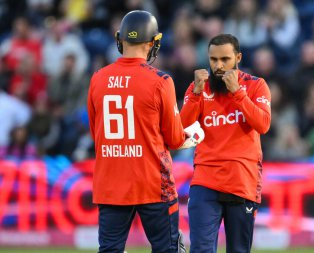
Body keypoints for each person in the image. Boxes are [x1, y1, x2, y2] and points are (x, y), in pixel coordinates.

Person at [87, 10, 194, 253]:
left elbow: (97, 135)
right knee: (168, 248)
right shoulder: (161, 81)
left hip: (111, 183)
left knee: (110, 249)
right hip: (153, 183)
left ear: (120, 39)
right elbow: (175, 139)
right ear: (152, 43)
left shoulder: (97, 79)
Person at [180, 34, 271, 252]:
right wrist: (195, 95)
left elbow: (263, 124)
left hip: (242, 182)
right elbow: (181, 128)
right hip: (205, 181)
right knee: (201, 249)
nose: (218, 66)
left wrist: (238, 94)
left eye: (225, 59)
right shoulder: (199, 88)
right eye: (213, 60)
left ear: (238, 57)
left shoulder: (256, 86)